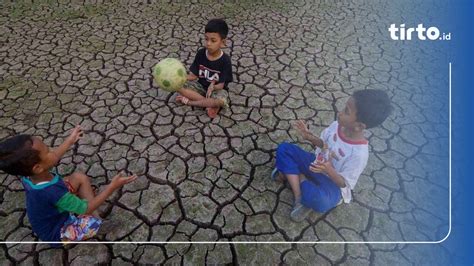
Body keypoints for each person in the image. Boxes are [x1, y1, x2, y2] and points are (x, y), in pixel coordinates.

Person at [0, 125, 137, 246]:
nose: (52, 151)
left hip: (52, 210)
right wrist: (112, 187)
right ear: (37, 168)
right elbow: (85, 208)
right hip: (58, 233)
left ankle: (93, 214)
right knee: (89, 219)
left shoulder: (28, 175)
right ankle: (97, 223)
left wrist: (70, 140)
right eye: (48, 151)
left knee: (79, 178)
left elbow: (53, 158)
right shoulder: (54, 192)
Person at [272, 89, 392, 222]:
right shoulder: (336, 126)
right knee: (284, 148)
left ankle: (297, 176)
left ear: (359, 126)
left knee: (321, 201)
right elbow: (324, 144)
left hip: (332, 183)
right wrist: (309, 137)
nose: (340, 113)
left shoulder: (359, 154)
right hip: (315, 164)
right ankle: (299, 195)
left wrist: (328, 169)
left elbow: (343, 183)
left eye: (346, 111)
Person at [176, 18, 233, 118]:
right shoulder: (201, 53)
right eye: (206, 39)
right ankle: (208, 104)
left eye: (213, 40)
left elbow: (221, 85)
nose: (208, 43)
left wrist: (213, 87)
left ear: (223, 42)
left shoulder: (225, 60)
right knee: (178, 86)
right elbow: (194, 76)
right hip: (201, 87)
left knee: (221, 101)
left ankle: (191, 103)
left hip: (216, 91)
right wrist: (180, 77)